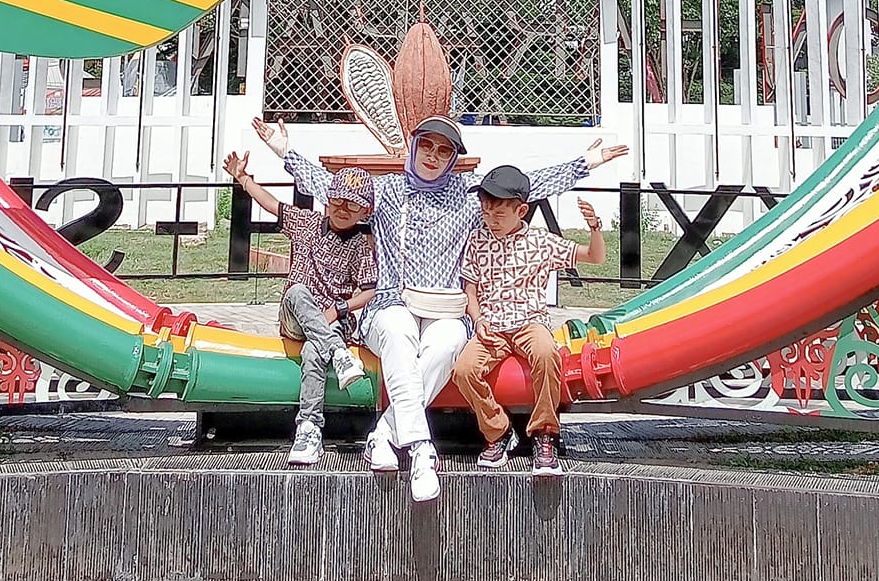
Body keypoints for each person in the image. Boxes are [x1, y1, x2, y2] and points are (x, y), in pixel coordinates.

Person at [253, 112, 627, 503]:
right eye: (427, 146)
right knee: (397, 331)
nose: (433, 156)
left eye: (444, 151)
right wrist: (283, 150)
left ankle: (384, 435)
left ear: (452, 158)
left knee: (449, 344)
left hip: (445, 308)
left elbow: (527, 184)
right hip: (392, 301)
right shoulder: (387, 190)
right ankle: (420, 449)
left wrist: (587, 163)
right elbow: (329, 185)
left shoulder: (467, 195)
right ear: (414, 147)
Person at [223, 149, 377, 467]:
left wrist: (339, 309)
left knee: (313, 352)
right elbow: (272, 205)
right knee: (296, 291)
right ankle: (339, 353)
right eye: (337, 201)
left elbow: (369, 290)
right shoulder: (307, 223)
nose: (342, 209)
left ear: (365, 210)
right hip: (296, 314)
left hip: (332, 318)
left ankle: (309, 428)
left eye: (352, 205)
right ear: (327, 199)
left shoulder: (361, 244)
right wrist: (243, 178)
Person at [454, 163, 606, 477]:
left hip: (529, 321)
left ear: (521, 210)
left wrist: (594, 227)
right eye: (486, 212)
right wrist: (478, 319)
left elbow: (594, 257)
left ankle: (544, 433)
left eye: (499, 214)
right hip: (492, 324)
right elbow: (470, 288)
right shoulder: (477, 239)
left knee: (547, 353)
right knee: (464, 370)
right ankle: (498, 429)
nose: (491, 220)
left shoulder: (540, 241)